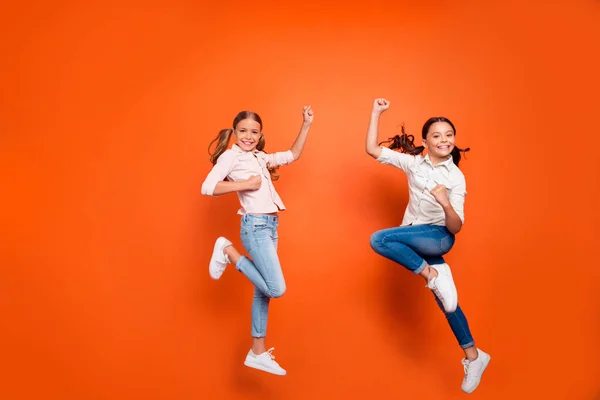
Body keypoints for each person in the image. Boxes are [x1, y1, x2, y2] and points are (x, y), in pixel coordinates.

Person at [365, 98, 490, 393]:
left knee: (379, 239)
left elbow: (456, 226)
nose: (444, 140)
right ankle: (474, 356)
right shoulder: (414, 164)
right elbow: (372, 150)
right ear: (426, 141)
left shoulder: (455, 177)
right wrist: (376, 113)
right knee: (448, 303)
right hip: (413, 236)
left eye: (449, 135)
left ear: (453, 140)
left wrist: (445, 202)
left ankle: (433, 275)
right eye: (437, 135)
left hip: (438, 237)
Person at [201, 106, 314, 376]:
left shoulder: (261, 158)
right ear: (235, 132)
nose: (248, 136)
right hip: (255, 227)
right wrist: (244, 185)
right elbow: (208, 187)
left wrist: (307, 123)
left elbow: (293, 155)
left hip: (271, 226)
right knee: (277, 288)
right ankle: (227, 250)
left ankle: (257, 351)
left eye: (254, 132)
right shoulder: (231, 156)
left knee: (262, 291)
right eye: (243, 131)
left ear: (260, 134)